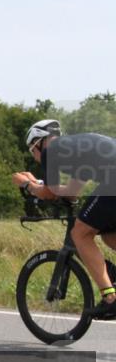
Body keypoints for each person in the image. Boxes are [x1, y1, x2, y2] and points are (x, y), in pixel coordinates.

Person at [12, 119, 116, 319]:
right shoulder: (75, 150)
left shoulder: (51, 151)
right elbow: (72, 192)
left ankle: (111, 298)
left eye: (32, 151)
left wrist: (27, 184)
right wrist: (40, 185)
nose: (34, 157)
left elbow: (49, 194)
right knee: (108, 235)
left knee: (80, 233)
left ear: (38, 143)